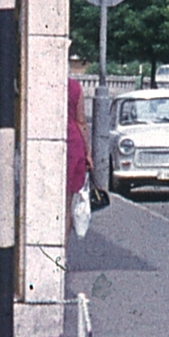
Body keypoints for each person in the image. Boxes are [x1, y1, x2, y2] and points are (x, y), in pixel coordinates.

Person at [67, 78, 92, 235]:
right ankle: (60, 252)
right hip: (73, 144)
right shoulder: (74, 87)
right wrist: (88, 151)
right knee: (66, 204)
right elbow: (81, 121)